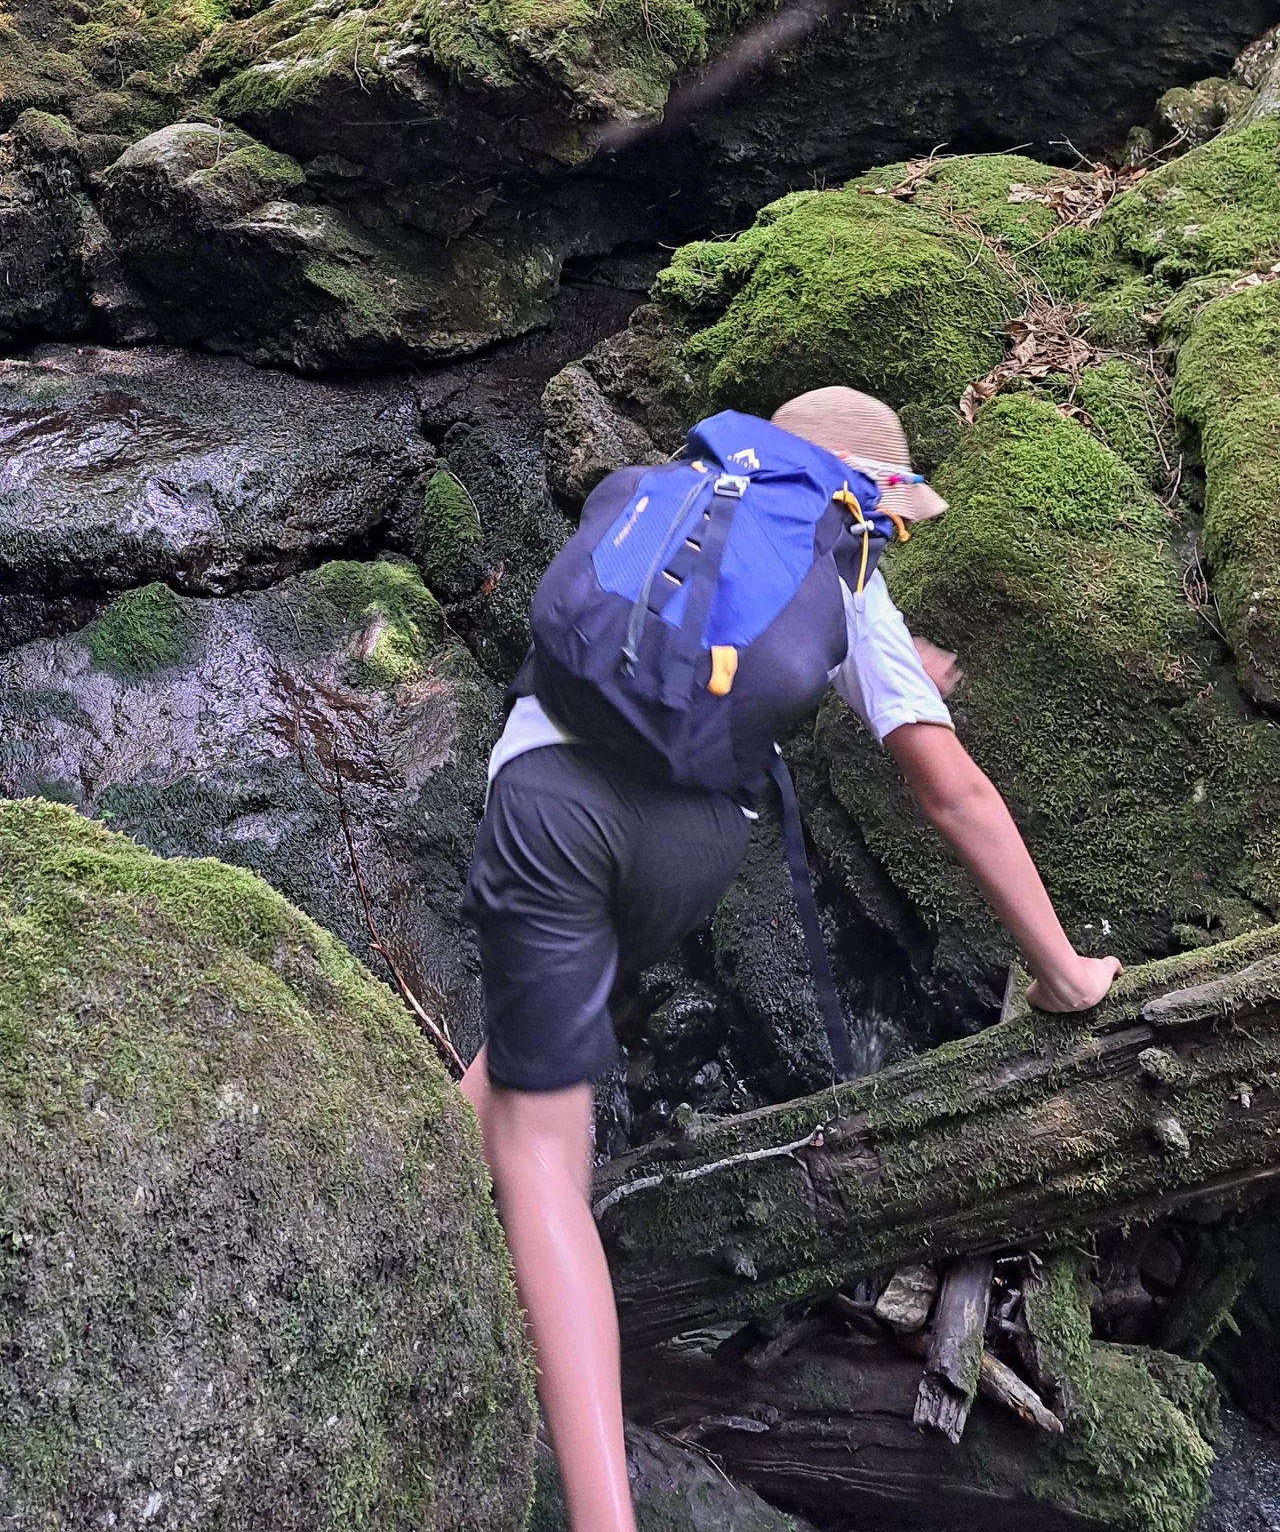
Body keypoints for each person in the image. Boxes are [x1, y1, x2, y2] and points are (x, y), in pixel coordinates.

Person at [460, 385, 1123, 1532]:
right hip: (687, 855)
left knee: (541, 1154)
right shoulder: (843, 564)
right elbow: (950, 790)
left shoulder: (674, 490)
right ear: (868, 492)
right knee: (529, 1066)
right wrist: (1064, 969)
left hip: (549, 802)